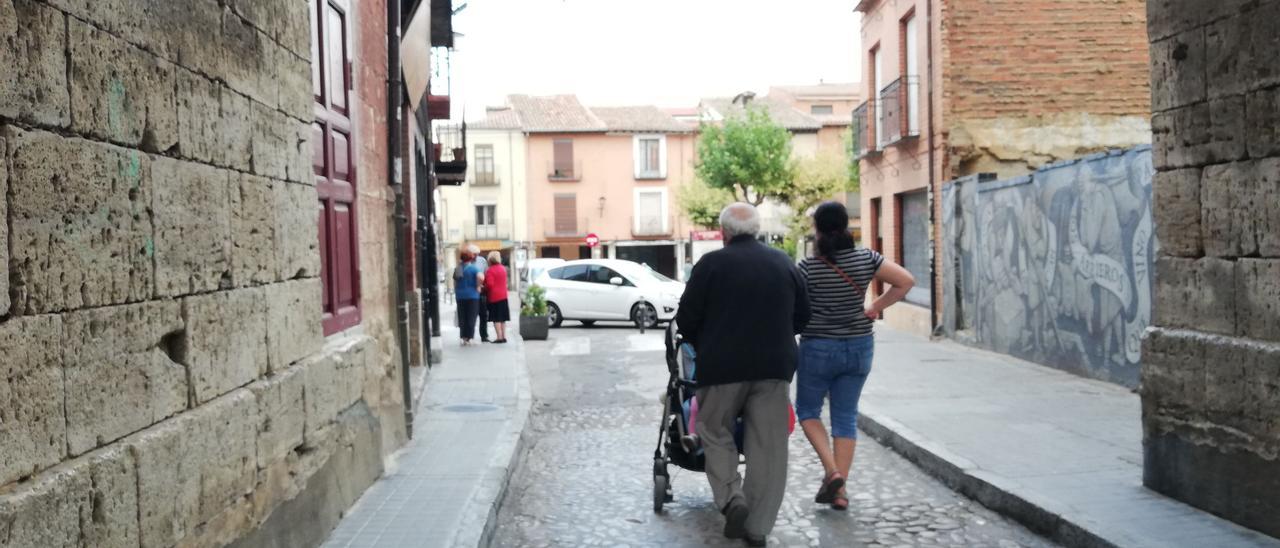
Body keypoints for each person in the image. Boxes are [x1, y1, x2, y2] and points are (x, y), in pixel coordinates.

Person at [677, 203, 810, 547]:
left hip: (722, 368)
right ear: (757, 229)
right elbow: (803, 316)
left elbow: (686, 319)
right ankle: (758, 527)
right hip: (774, 368)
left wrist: (702, 341)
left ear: (724, 233)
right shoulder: (783, 262)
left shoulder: (711, 265)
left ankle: (731, 497)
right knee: (769, 447)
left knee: (713, 430)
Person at [795, 201, 914, 511]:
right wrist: (875, 307)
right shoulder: (866, 258)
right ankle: (839, 492)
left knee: (808, 411)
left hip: (818, 347)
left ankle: (832, 472)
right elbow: (905, 281)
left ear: (817, 230)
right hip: (860, 345)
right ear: (846, 226)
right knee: (845, 417)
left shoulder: (808, 267)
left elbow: (793, 305)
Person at [455, 249, 485, 346]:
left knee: (462, 317)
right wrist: (478, 286)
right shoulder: (473, 268)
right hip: (472, 295)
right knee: (471, 317)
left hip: (460, 295)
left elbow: (456, 280)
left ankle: (463, 338)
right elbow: (481, 277)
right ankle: (470, 338)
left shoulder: (458, 268)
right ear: (471, 257)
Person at [483, 251, 510, 343]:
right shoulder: (503, 269)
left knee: (496, 318)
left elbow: (490, 284)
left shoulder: (490, 270)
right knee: (502, 318)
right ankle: (504, 336)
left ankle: (499, 337)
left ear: (490, 259)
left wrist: (484, 287)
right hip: (504, 296)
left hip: (494, 297)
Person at [470, 245, 492, 343]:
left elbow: (486, 274)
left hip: (481, 292)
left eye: (477, 253)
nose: (476, 255)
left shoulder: (482, 261)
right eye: (474, 254)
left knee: (483, 315)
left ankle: (484, 335)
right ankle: (469, 336)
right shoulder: (466, 262)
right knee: (471, 315)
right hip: (470, 292)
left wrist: (484, 285)